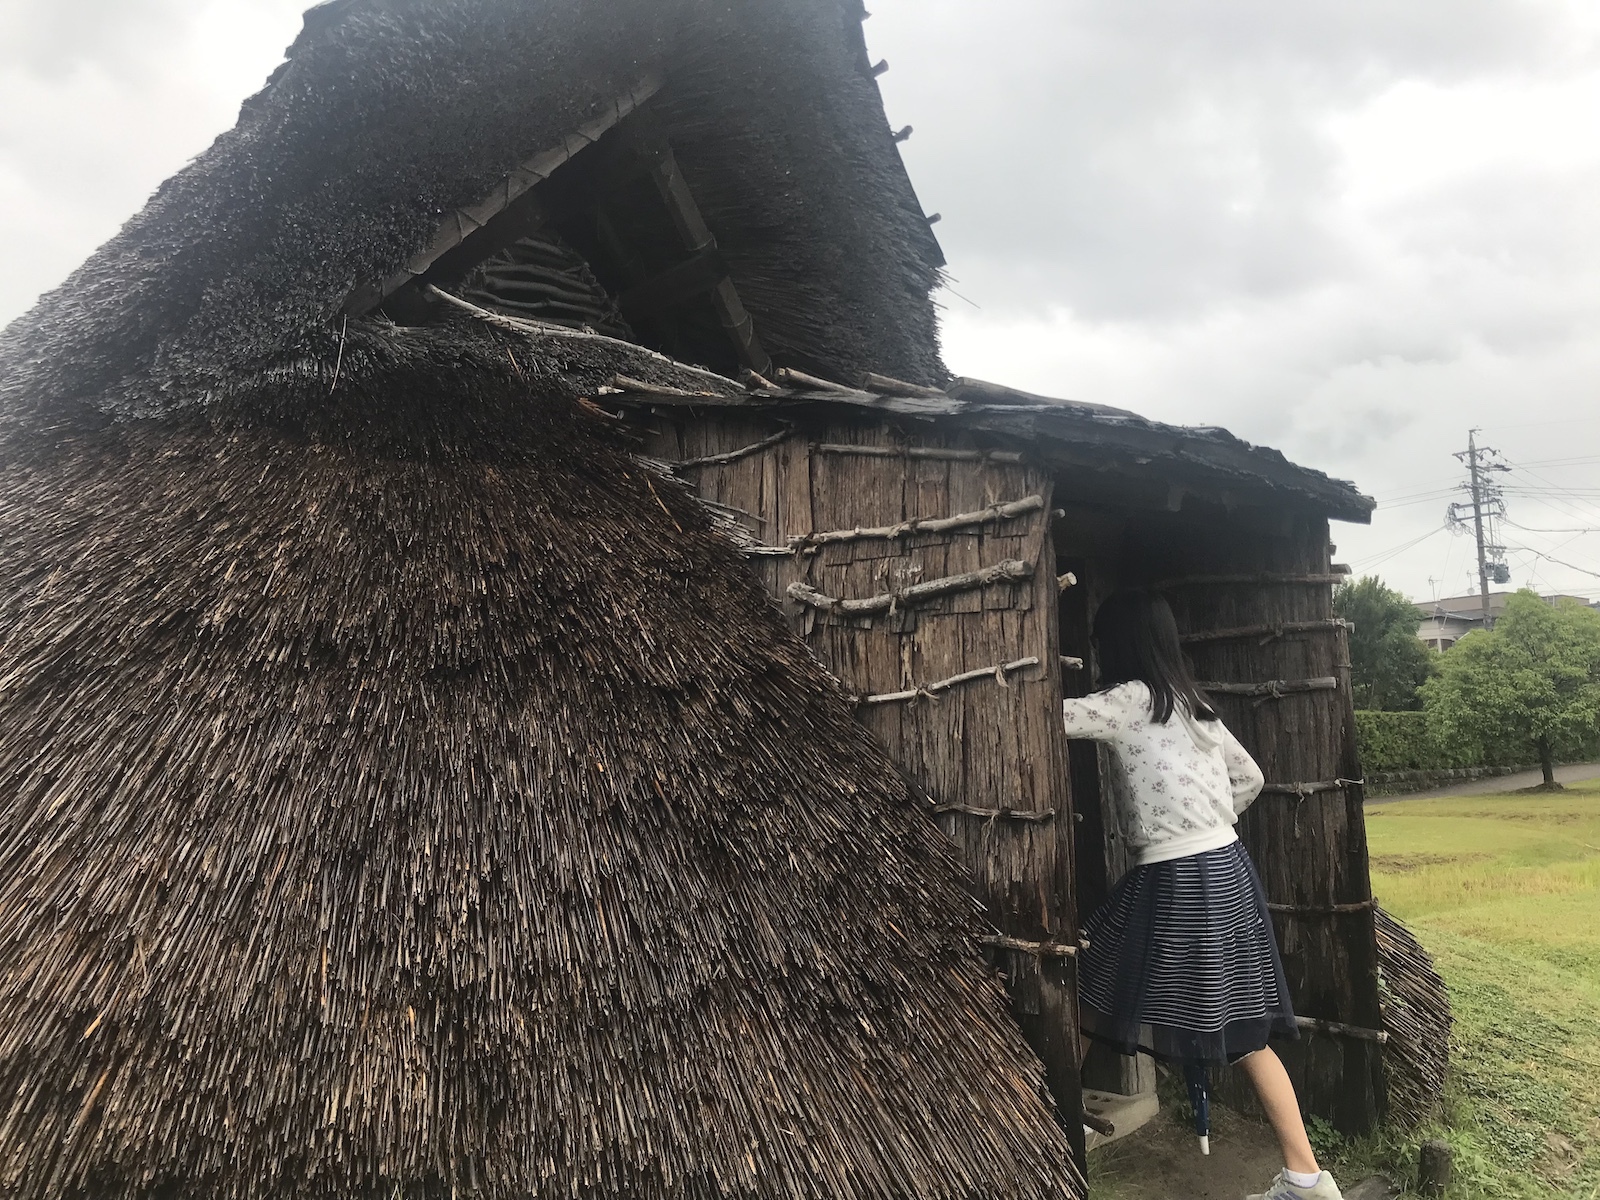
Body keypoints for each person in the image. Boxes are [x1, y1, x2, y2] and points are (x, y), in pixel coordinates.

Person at [1063, 590, 1342, 1200]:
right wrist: (1207, 824)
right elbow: (1252, 779)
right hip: (1228, 867)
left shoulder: (1129, 703)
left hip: (1175, 876)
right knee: (1243, 1031)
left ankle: (1045, 1143)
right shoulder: (1197, 707)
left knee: (1086, 987)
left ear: (1117, 645)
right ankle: (1307, 1179)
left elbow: (1053, 718)